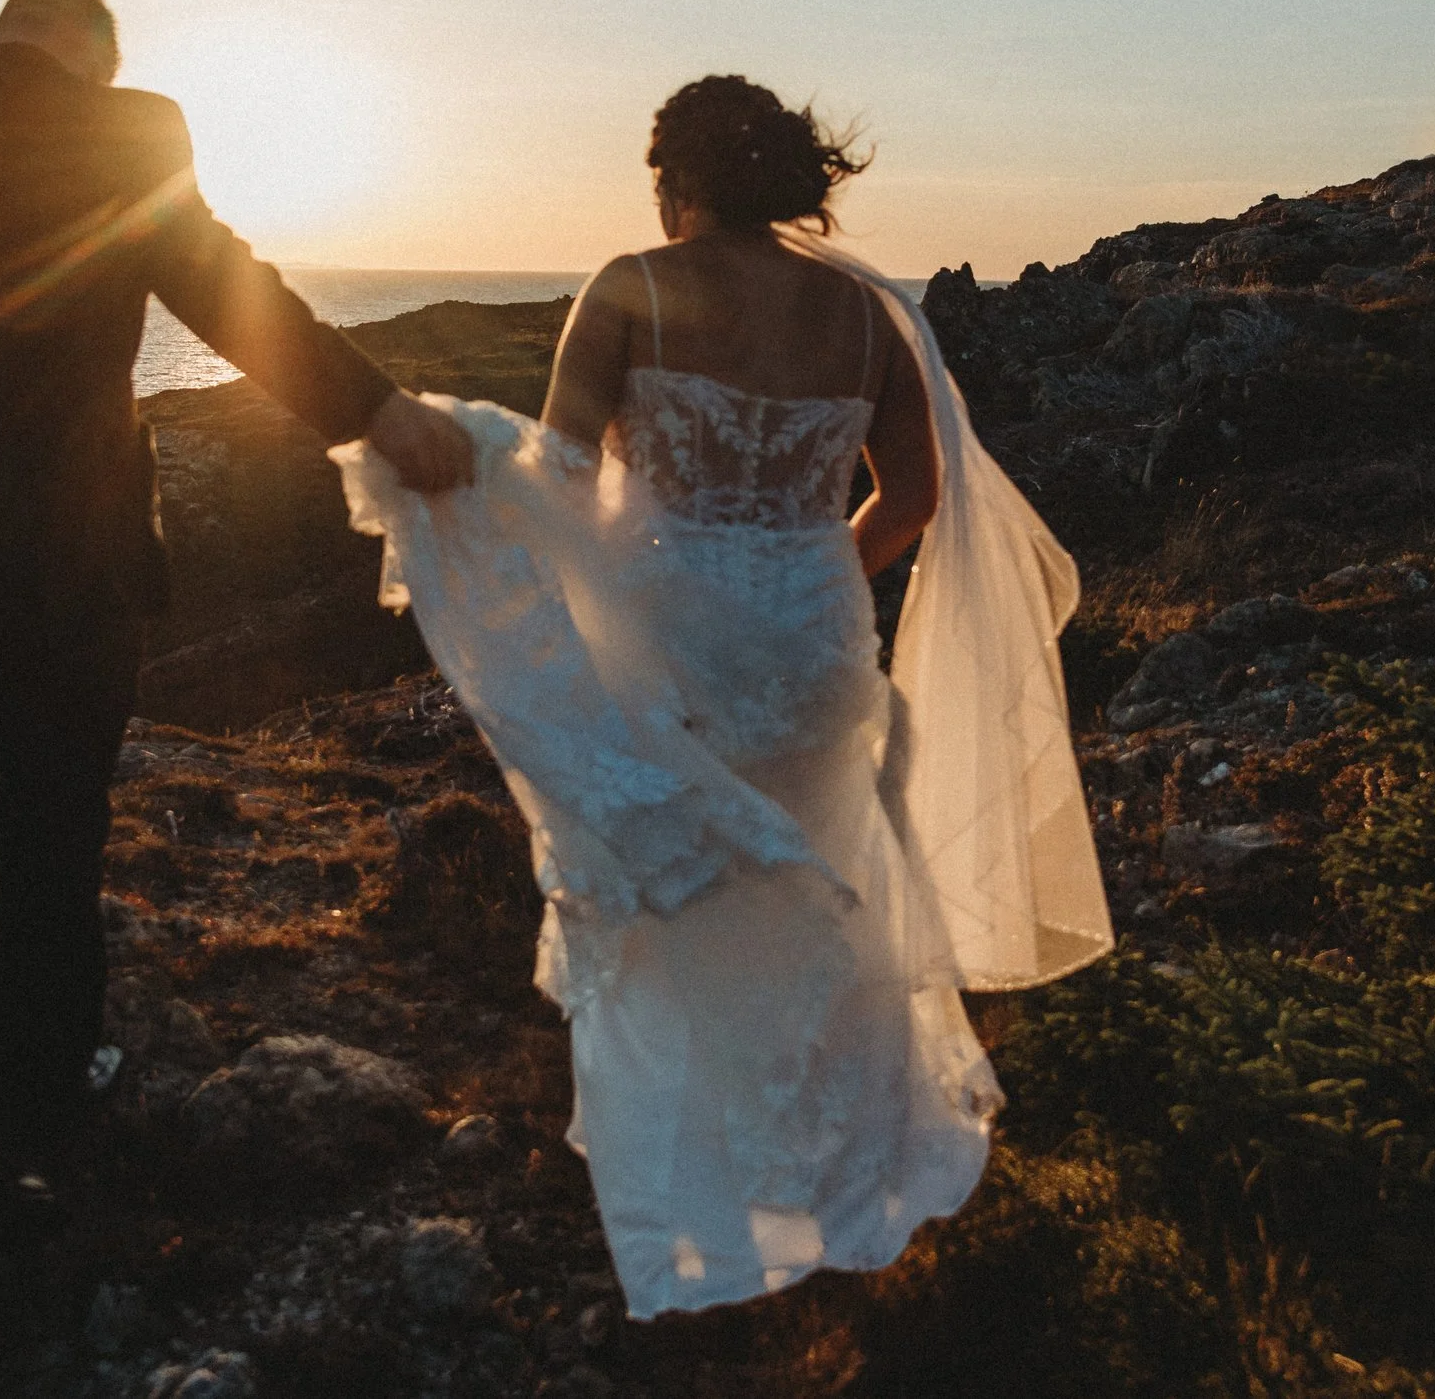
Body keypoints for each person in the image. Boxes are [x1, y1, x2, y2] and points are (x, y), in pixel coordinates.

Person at [0, 0, 471, 1250]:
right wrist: (377, 411)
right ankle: (50, 1108)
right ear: (99, 61)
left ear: (4, 33)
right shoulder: (130, 131)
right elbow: (224, 290)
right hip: (69, 552)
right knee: (61, 822)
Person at [334, 76, 1111, 1315]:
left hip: (668, 640)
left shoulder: (632, 284)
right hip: (813, 641)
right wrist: (801, 579)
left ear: (677, 180)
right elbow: (909, 500)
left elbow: (559, 484)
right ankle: (843, 1168)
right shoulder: (869, 318)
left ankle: (709, 1200)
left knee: (682, 907)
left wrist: (485, 488)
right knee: (824, 895)